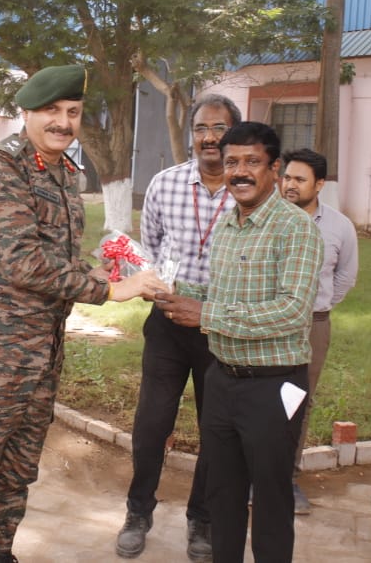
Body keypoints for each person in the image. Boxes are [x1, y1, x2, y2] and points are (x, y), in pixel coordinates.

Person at [0, 64, 165, 563]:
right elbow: (24, 262)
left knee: (17, 471)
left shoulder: (63, 172)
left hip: (41, 354)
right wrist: (111, 293)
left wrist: (97, 273)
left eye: (73, 112)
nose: (63, 122)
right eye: (52, 111)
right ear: (28, 113)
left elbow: (55, 257)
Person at [155, 122, 323, 563]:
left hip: (274, 386)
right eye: (232, 162)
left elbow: (292, 310)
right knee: (221, 495)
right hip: (222, 381)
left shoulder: (296, 228)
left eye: (252, 162)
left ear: (275, 169)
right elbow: (222, 296)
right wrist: (167, 290)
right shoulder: (229, 225)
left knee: (270, 498)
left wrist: (206, 314)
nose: (240, 172)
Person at [116, 95, 242, 562]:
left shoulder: (247, 187)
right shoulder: (164, 184)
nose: (210, 138)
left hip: (222, 330)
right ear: (191, 134)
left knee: (217, 428)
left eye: (220, 128)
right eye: (201, 128)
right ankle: (137, 511)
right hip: (168, 324)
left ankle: (202, 520)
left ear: (235, 132)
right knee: (152, 423)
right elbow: (151, 243)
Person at [280, 148, 358, 514]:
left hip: (313, 326)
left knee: (298, 402)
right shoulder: (268, 218)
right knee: (259, 399)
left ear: (320, 184)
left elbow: (345, 276)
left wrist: (317, 308)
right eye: (287, 178)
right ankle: (251, 477)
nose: (290, 186)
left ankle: (286, 478)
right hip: (267, 324)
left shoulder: (340, 227)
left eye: (299, 180)